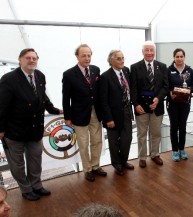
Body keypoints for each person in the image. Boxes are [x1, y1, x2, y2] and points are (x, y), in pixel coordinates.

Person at [0, 48, 62, 201]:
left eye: (34, 58)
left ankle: (36, 185)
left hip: (34, 129)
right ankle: (26, 189)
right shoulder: (9, 79)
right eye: (28, 58)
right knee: (18, 164)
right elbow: (2, 106)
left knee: (36, 159)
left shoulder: (40, 76)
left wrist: (54, 110)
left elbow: (43, 98)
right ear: (20, 60)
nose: (32, 60)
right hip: (14, 131)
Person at [62, 44, 107, 182]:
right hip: (79, 115)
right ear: (77, 56)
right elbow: (66, 98)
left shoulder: (96, 70)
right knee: (83, 143)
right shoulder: (69, 74)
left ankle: (95, 166)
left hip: (96, 113)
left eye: (89, 55)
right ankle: (87, 169)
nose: (87, 58)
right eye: (84, 55)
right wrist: (67, 118)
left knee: (97, 141)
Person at [130, 41, 169, 168]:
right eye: (146, 50)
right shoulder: (135, 67)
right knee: (141, 134)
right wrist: (135, 105)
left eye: (151, 50)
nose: (149, 53)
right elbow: (133, 88)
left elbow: (166, 86)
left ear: (155, 52)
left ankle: (155, 154)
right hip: (141, 108)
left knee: (156, 133)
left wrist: (158, 99)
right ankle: (142, 157)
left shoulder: (162, 66)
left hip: (157, 107)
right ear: (142, 52)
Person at [100, 50, 134, 176]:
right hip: (112, 115)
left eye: (123, 58)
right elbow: (103, 100)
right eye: (119, 59)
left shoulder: (126, 71)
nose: (122, 61)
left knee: (127, 139)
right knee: (114, 142)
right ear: (111, 61)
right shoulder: (105, 77)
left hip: (126, 111)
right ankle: (117, 164)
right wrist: (108, 118)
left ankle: (124, 161)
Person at [167, 48, 193, 161]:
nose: (179, 58)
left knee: (183, 126)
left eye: (181, 56)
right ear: (174, 58)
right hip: (172, 103)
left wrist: (188, 90)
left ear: (184, 57)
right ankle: (175, 150)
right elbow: (165, 85)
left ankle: (182, 149)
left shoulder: (190, 70)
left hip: (185, 103)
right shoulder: (168, 70)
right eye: (177, 56)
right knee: (174, 127)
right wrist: (170, 93)